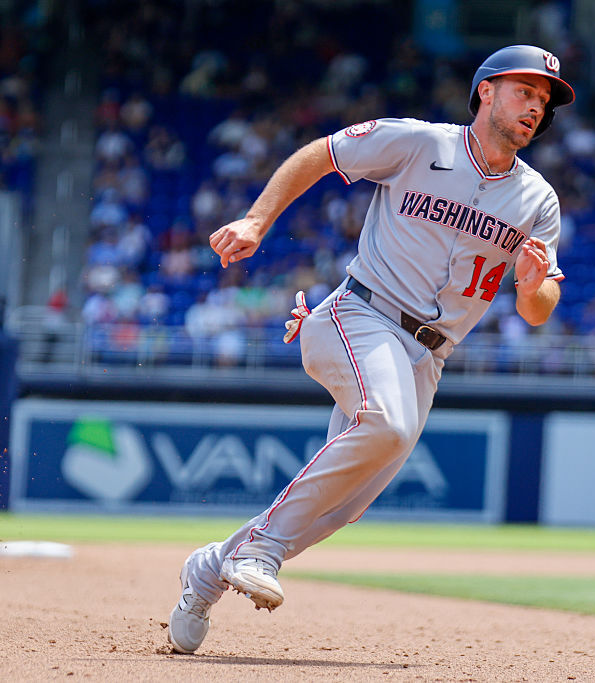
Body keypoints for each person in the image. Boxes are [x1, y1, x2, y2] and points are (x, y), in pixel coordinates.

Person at [167, 45, 574, 654]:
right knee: (385, 424)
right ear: (485, 91)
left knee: (342, 504)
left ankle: (208, 572)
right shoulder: (418, 144)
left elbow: (537, 309)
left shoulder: (538, 200)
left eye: (544, 101)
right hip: (361, 313)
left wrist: (531, 284)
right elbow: (321, 154)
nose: (535, 107)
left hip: (429, 356)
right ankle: (262, 549)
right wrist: (255, 220)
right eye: (525, 92)